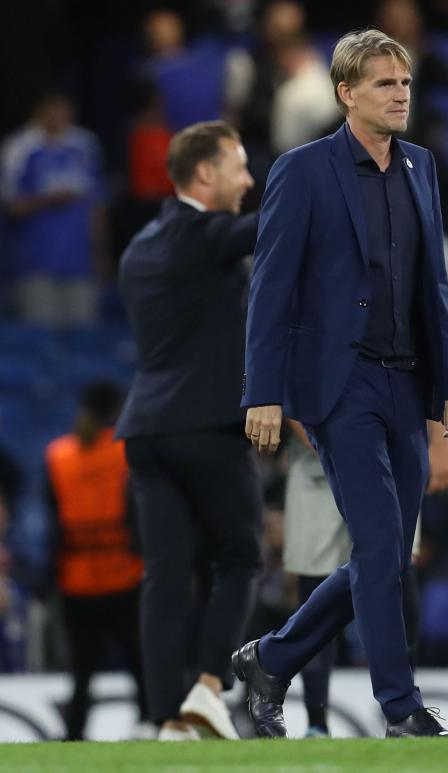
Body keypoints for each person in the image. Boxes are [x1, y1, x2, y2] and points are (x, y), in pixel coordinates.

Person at [234, 29, 448, 739]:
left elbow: (434, 285)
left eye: (404, 82)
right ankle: (401, 708)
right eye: (384, 84)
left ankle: (271, 658)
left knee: (387, 556)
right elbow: (270, 290)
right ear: (346, 93)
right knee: (378, 548)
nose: (401, 94)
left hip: (410, 381)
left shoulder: (421, 166)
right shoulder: (303, 170)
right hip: (342, 387)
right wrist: (263, 392)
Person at [116, 121, 261, 742]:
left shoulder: (140, 244)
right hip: (203, 424)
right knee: (241, 556)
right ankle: (207, 687)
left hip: (145, 429)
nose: (249, 180)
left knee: (165, 576)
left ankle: (166, 717)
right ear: (205, 174)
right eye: (240, 166)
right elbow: (272, 225)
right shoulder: (199, 235)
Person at [283, 419, 448, 737]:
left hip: (389, 456)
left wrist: (441, 440)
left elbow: (422, 370)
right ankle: (316, 723)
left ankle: (403, 715)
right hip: (317, 462)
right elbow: (283, 372)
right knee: (316, 582)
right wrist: (325, 439)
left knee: (398, 576)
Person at [44, 381, 149, 740]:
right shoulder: (124, 451)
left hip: (77, 582)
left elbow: (53, 523)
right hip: (124, 577)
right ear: (115, 409)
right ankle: (151, 727)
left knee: (82, 673)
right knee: (140, 664)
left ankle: (73, 739)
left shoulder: (57, 455)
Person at [0, 90, 107, 326]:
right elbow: (11, 207)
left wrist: (99, 251)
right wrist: (49, 200)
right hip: (36, 262)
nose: (59, 115)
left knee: (86, 342)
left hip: (80, 262)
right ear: (38, 111)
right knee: (40, 340)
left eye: (64, 109)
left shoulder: (85, 144)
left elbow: (97, 204)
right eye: (53, 109)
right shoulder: (20, 147)